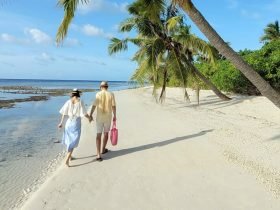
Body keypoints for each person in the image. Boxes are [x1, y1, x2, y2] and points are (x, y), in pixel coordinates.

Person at [58, 89, 90, 167]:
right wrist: (89, 118)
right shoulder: (80, 101)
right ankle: (67, 160)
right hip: (76, 123)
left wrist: (61, 123)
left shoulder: (68, 101)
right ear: (78, 94)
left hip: (68, 123)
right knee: (73, 141)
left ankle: (70, 156)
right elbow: (84, 113)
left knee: (69, 140)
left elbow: (63, 113)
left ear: (72, 94)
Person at [89, 81, 116, 161]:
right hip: (108, 117)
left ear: (100, 87)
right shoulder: (111, 94)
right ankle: (103, 149)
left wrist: (90, 114)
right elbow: (113, 106)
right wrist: (115, 115)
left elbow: (94, 105)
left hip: (99, 118)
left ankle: (98, 154)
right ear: (107, 87)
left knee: (98, 135)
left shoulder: (98, 94)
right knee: (106, 133)